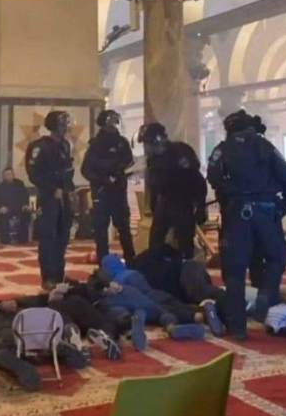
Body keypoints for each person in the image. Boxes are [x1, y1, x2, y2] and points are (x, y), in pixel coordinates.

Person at [207, 110, 286, 340]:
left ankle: (238, 327)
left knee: (234, 271)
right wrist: (285, 206)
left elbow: (213, 177)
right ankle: (266, 294)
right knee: (277, 257)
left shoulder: (222, 149)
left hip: (236, 214)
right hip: (266, 212)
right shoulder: (264, 146)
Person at [138, 123, 207, 261]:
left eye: (146, 143)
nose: (145, 148)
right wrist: (153, 206)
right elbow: (154, 186)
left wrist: (200, 205)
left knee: (185, 242)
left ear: (157, 141)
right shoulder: (153, 160)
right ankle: (158, 267)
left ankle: (185, 268)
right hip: (164, 202)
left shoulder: (180, 152)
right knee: (155, 242)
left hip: (183, 202)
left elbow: (197, 179)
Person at [25, 111, 76, 290]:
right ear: (54, 126)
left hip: (64, 197)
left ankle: (59, 275)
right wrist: (53, 188)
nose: (65, 129)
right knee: (48, 238)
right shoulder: (39, 146)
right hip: (48, 197)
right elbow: (34, 173)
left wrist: (70, 191)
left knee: (63, 237)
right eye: (62, 125)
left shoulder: (65, 145)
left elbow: (67, 171)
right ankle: (47, 277)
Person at [81, 110, 135, 264]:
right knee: (100, 230)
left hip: (119, 191)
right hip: (101, 191)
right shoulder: (96, 145)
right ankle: (104, 262)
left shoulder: (122, 143)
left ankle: (131, 260)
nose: (113, 125)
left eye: (115, 121)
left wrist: (121, 175)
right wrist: (103, 179)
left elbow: (130, 165)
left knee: (124, 228)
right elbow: (86, 169)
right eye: (110, 122)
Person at [0, 167, 31, 244]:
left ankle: (22, 238)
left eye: (10, 174)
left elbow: (25, 195)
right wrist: (1, 207)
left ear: (13, 175)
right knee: (3, 215)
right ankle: (6, 239)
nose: (8, 176)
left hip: (19, 208)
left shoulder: (19, 184)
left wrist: (25, 204)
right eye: (6, 174)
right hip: (6, 208)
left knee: (25, 213)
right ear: (3, 176)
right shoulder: (0, 187)